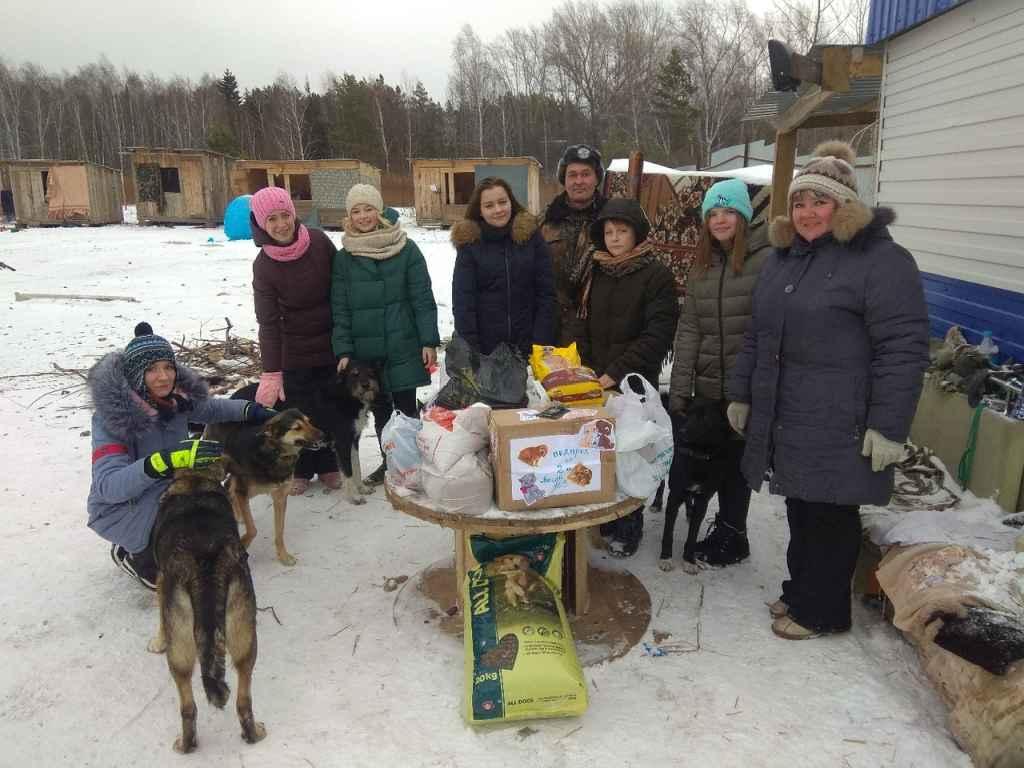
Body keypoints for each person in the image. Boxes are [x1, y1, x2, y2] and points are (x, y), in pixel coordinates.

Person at [727, 141, 930, 640]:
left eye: (820, 201)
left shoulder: (882, 261)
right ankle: (801, 592)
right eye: (799, 202)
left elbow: (903, 349)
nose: (808, 212)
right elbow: (758, 334)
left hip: (843, 418)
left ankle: (824, 612)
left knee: (831, 514)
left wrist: (888, 426)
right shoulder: (784, 260)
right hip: (790, 414)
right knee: (801, 506)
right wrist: (742, 393)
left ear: (845, 206)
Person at [87, 322, 274, 589]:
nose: (163, 377)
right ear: (134, 375)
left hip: (170, 489)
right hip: (125, 506)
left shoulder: (175, 401)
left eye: (168, 367)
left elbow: (213, 410)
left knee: (210, 532)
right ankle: (132, 554)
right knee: (170, 582)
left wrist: (252, 411)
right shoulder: (110, 421)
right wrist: (164, 460)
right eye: (151, 369)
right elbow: (109, 487)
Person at [666, 178, 771, 567]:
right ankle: (727, 530)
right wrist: (680, 389)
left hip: (748, 385)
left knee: (739, 465)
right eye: (713, 213)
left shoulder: (766, 259)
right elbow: (690, 329)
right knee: (716, 459)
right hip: (710, 385)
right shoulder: (702, 266)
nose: (721, 219)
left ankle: (733, 533)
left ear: (743, 216)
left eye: (729, 212)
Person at [574, 197, 680, 557]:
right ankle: (604, 516)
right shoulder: (597, 271)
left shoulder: (657, 275)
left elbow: (658, 333)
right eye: (608, 232)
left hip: (632, 381)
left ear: (637, 234)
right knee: (601, 451)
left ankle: (629, 524)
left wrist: (615, 373)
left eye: (622, 231)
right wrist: (586, 367)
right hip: (596, 379)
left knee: (631, 454)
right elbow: (583, 321)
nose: (615, 238)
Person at [331, 184, 440, 485]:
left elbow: (422, 298)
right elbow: (339, 308)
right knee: (380, 411)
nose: (363, 216)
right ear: (349, 217)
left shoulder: (406, 248)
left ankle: (415, 465)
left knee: (406, 409)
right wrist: (343, 349)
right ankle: (390, 464)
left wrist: (428, 339)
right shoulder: (344, 257)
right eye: (356, 211)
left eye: (368, 209)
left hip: (403, 342)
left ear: (379, 212)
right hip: (366, 350)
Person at [250, 186, 341, 495]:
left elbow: (342, 289)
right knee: (298, 410)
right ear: (262, 224)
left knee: (329, 407)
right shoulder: (263, 266)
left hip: (329, 342)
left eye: (285, 215)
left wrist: (346, 341)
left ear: (293, 214)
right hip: (294, 350)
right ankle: (301, 468)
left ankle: (329, 463)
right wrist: (272, 371)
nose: (280, 224)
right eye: (272, 219)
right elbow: (268, 322)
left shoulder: (318, 242)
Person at [451, 176, 555, 356]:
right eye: (489, 205)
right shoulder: (470, 245)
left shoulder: (531, 238)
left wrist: (540, 342)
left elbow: (546, 293)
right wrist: (472, 351)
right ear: (480, 210)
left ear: (511, 203)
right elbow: (463, 303)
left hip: (528, 346)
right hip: (487, 350)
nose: (498, 210)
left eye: (502, 202)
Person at [539, 144, 608, 345]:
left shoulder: (612, 221)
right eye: (572, 175)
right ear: (564, 179)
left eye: (586, 174)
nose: (579, 181)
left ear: (597, 179)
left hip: (599, 332)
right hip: (552, 331)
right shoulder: (543, 222)